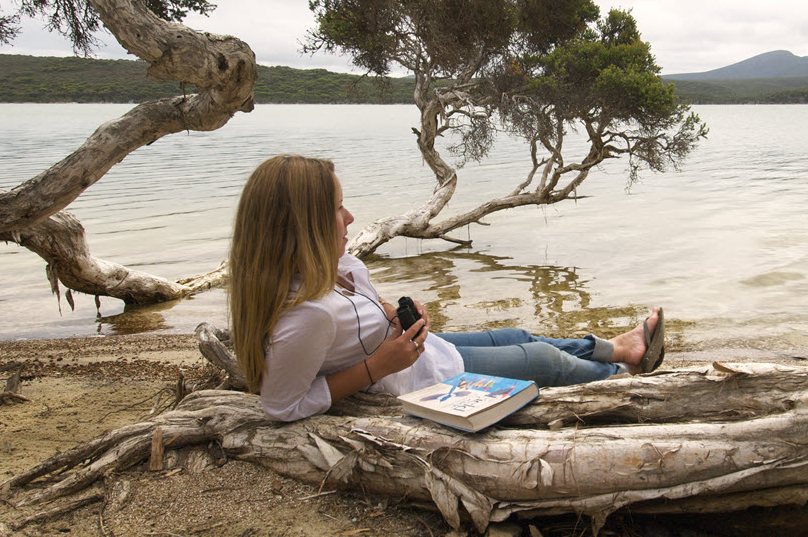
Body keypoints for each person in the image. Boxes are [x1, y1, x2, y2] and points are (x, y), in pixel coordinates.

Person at [229, 154, 665, 422]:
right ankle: (623, 379)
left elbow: (353, 323)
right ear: (301, 225)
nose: (350, 217)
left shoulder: (333, 268)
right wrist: (377, 366)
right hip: (418, 378)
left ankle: (618, 348)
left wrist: (391, 314)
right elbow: (281, 406)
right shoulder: (307, 316)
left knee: (519, 336)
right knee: (544, 360)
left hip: (418, 352)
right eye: (338, 207)